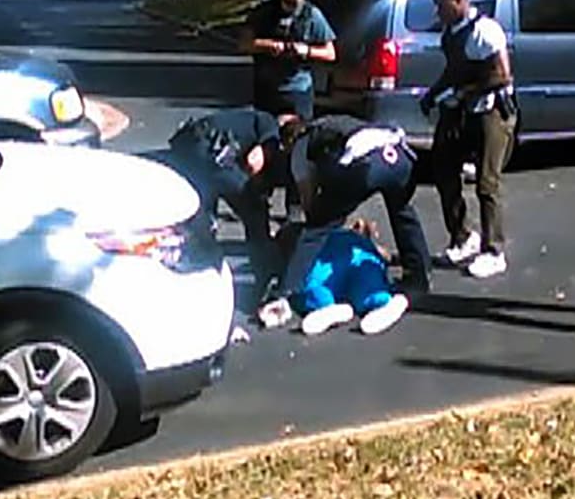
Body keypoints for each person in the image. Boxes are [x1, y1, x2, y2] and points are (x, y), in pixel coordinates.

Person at [419, 0, 518, 279]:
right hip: (463, 110)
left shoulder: (485, 31)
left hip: (492, 110)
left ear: (458, 1)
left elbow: (502, 75)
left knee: (487, 182)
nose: (438, 13)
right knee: (444, 167)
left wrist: (464, 93)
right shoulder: (450, 33)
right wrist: (433, 94)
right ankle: (463, 236)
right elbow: (452, 70)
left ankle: (494, 250)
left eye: (441, 6)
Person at [277, 113, 433, 297]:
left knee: (316, 229)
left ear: (287, 139)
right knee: (403, 212)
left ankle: (287, 290)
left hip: (364, 163)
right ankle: (419, 276)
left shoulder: (301, 145)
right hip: (399, 156)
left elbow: (307, 193)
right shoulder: (333, 122)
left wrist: (319, 221)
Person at [238, 0, 336, 220]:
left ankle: (294, 208)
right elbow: (243, 43)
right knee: (264, 146)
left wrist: (305, 51)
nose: (291, 5)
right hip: (267, 89)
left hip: (298, 91)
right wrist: (267, 46)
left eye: (296, 1)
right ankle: (261, 202)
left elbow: (330, 53)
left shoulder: (313, 16)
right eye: (287, 0)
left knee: (297, 149)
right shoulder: (265, 12)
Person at [165, 107, 286, 298]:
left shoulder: (254, 121)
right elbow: (255, 162)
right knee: (254, 213)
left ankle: (197, 268)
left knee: (201, 213)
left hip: (191, 146)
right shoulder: (271, 134)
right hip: (214, 153)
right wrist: (255, 192)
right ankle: (265, 278)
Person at [257, 218, 409, 336]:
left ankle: (329, 307)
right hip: (357, 255)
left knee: (315, 290)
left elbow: (295, 287)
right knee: (367, 286)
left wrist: (288, 297)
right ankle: (385, 301)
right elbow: (380, 255)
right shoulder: (336, 235)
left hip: (323, 268)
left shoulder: (302, 256)